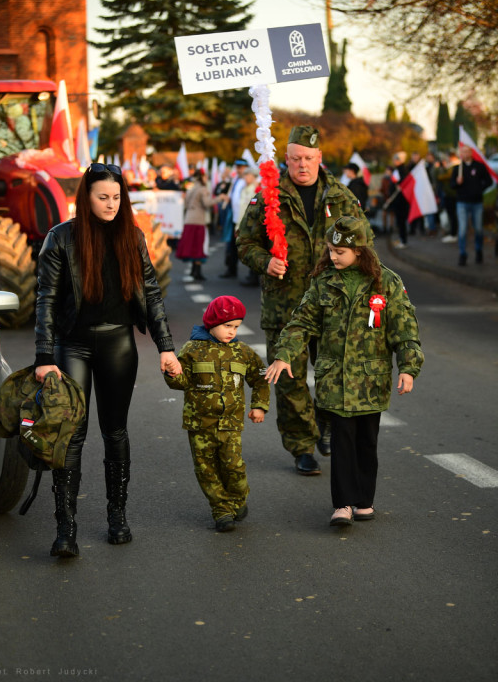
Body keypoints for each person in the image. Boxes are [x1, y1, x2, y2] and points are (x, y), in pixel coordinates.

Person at [34, 162, 182, 558]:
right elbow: (46, 299)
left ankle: (117, 516)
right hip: (72, 347)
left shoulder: (132, 237)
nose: (111, 204)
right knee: (73, 434)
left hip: (119, 344)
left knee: (115, 432)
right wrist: (43, 356)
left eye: (117, 197)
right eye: (103, 197)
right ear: (86, 197)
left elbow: (151, 294)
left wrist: (166, 347)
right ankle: (66, 529)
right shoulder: (60, 238)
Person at [265, 216, 423, 526]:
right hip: (335, 379)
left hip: (370, 379)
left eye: (340, 252)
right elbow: (302, 322)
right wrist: (284, 354)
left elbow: (404, 329)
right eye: (330, 250)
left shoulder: (386, 282)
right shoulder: (323, 281)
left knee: (367, 441)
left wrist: (408, 367)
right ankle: (343, 504)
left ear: (360, 251)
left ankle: (364, 500)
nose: (333, 256)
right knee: (341, 441)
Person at [237, 125, 371, 476]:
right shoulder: (268, 196)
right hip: (285, 308)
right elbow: (244, 243)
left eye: (309, 158)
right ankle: (301, 447)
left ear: (319, 158)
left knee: (331, 374)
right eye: (296, 158)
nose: (303, 165)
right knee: (290, 380)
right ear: (286, 159)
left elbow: (365, 245)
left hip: (333, 307)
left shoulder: (342, 197)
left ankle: (325, 422)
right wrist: (264, 261)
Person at [164, 295, 270, 532]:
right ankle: (221, 509)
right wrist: (172, 372)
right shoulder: (192, 350)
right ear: (212, 323)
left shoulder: (243, 352)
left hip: (230, 424)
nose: (232, 331)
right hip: (199, 424)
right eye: (227, 326)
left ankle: (237, 498)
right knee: (206, 469)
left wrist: (259, 406)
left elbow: (260, 378)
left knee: (234, 468)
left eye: (236, 327)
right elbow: (181, 382)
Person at [175, 168, 225, 281]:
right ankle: (197, 272)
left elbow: (186, 204)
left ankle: (194, 270)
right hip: (198, 221)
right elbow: (207, 203)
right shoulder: (203, 189)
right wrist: (219, 198)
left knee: (192, 246)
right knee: (198, 246)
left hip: (189, 219)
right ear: (202, 177)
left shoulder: (190, 188)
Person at [450, 144, 491, 266]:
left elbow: (488, 181)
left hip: (477, 203)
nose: (465, 154)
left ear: (471, 153)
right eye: (463, 152)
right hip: (462, 202)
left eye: (467, 151)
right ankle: (462, 254)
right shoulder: (458, 168)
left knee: (478, 229)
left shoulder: (479, 167)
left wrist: (479, 189)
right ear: (461, 154)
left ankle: (479, 250)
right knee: (462, 230)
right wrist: (457, 183)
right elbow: (452, 185)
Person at [219, 159, 248, 278]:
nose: (239, 169)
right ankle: (231, 269)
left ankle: (252, 274)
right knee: (231, 245)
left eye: (241, 167)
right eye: (237, 167)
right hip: (234, 217)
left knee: (246, 246)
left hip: (243, 218)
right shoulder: (236, 180)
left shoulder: (246, 181)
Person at [388, 151, 410, 248]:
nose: (393, 161)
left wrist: (398, 185)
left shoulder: (402, 170)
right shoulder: (398, 169)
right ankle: (401, 239)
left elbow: (404, 183)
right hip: (397, 200)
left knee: (401, 221)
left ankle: (403, 240)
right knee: (399, 221)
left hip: (401, 201)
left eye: (395, 159)